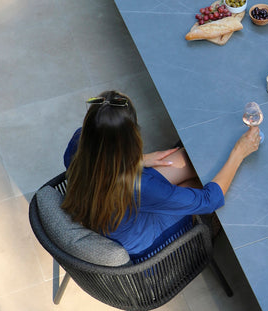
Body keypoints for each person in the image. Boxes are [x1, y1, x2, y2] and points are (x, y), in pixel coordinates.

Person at [61, 91, 258, 260]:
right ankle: (207, 229)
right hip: (144, 241)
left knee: (184, 160)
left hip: (112, 213)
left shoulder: (79, 142)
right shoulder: (139, 186)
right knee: (200, 183)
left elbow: (104, 163)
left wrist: (139, 160)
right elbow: (209, 199)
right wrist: (239, 153)